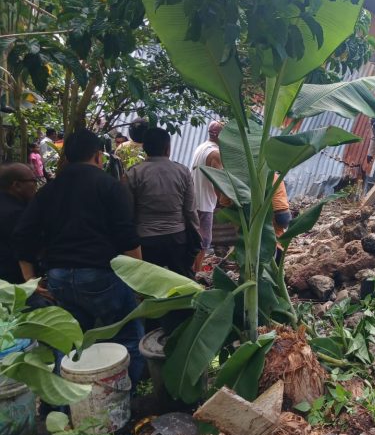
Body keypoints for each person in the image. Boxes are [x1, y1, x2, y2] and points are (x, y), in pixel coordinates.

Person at [13, 130, 145, 385]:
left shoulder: (48, 191)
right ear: (98, 155)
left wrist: (30, 281)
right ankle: (123, 400)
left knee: (70, 342)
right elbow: (128, 237)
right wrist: (139, 282)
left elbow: (22, 235)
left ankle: (69, 405)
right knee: (127, 336)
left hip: (59, 278)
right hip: (101, 275)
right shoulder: (109, 185)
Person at [126, 127, 201, 277]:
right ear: (168, 148)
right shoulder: (182, 171)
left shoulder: (133, 173)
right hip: (177, 238)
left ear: (145, 148)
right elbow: (190, 210)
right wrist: (196, 235)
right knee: (181, 285)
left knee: (149, 286)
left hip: (145, 240)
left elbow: (128, 212)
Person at [0, 164, 38, 284]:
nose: (36, 186)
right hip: (14, 279)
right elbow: (26, 246)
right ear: (17, 185)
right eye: (33, 181)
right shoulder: (16, 213)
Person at [191, 121, 224, 251]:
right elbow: (219, 183)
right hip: (205, 204)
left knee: (195, 239)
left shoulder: (202, 147)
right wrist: (223, 202)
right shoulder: (215, 153)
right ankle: (196, 270)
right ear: (218, 135)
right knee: (204, 242)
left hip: (194, 200)